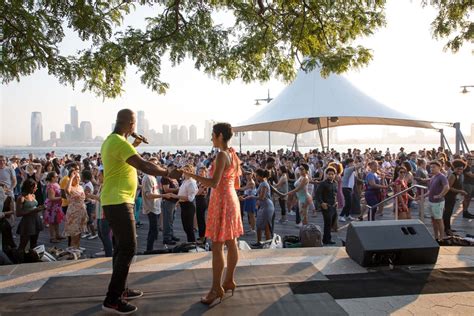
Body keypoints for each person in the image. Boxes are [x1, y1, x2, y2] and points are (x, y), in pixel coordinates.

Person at [101, 109, 171, 314]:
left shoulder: (112, 141)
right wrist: (167, 171)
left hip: (117, 200)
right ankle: (112, 299)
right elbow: (144, 165)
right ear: (130, 124)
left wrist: (134, 145)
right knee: (129, 247)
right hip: (118, 201)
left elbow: (121, 163)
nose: (135, 128)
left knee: (120, 248)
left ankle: (120, 290)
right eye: (134, 124)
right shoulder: (118, 142)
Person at [182, 122, 243, 306]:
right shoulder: (233, 154)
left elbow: (214, 183)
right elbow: (237, 182)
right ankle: (229, 280)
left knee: (217, 246)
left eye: (213, 135)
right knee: (231, 242)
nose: (211, 138)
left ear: (220, 136)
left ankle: (216, 288)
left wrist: (191, 175)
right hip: (231, 199)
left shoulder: (222, 155)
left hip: (222, 201)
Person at [142, 158, 169, 251]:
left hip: (156, 206)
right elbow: (148, 195)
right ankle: (149, 250)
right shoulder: (147, 178)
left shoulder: (153, 177)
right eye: (154, 165)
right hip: (151, 207)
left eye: (157, 165)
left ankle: (150, 249)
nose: (156, 167)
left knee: (153, 230)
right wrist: (164, 195)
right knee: (153, 230)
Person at [170, 164, 199, 242]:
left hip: (188, 206)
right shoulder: (185, 181)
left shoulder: (191, 182)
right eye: (185, 170)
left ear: (192, 172)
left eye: (188, 170)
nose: (186, 171)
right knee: (186, 228)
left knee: (189, 228)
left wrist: (176, 197)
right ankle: (190, 244)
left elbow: (190, 198)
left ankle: (192, 245)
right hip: (184, 206)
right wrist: (178, 201)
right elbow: (182, 193)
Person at [15, 178, 45, 253]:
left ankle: (32, 259)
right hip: (27, 223)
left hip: (36, 220)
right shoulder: (21, 198)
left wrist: (40, 208)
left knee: (34, 244)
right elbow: (18, 213)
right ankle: (19, 260)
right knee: (23, 245)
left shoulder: (33, 195)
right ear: (29, 187)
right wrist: (33, 210)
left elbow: (34, 207)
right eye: (35, 187)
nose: (36, 189)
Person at [64, 169, 88, 252]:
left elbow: (84, 198)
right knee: (74, 231)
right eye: (75, 177)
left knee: (80, 229)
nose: (77, 179)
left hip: (82, 211)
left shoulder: (81, 187)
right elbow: (67, 190)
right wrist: (71, 177)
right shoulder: (70, 188)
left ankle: (77, 246)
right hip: (73, 212)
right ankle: (73, 247)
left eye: (78, 177)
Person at [443, 160, 468, 236]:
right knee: (447, 213)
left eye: (461, 169)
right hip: (448, 196)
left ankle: (448, 227)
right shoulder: (453, 175)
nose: (460, 171)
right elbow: (449, 187)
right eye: (458, 169)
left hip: (452, 196)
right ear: (454, 168)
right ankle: (447, 229)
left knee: (449, 213)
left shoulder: (457, 175)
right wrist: (461, 191)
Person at [427, 160, 450, 241]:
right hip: (431, 201)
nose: (432, 169)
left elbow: (447, 187)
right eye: (431, 167)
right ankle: (436, 236)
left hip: (438, 203)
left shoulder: (442, 176)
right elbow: (430, 190)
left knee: (439, 220)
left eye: (434, 167)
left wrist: (440, 195)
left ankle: (441, 237)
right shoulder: (433, 177)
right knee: (433, 220)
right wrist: (421, 196)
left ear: (439, 167)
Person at [315, 167, 338, 245]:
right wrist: (322, 203)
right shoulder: (323, 183)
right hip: (326, 206)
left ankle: (327, 238)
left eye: (332, 174)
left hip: (333, 206)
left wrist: (336, 202)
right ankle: (326, 240)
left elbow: (335, 193)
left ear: (335, 175)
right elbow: (317, 194)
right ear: (326, 175)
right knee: (327, 223)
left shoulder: (335, 183)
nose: (330, 176)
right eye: (329, 174)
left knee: (332, 222)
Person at [161, 164, 181, 246]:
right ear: (168, 168)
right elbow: (166, 189)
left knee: (172, 220)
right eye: (171, 168)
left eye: (174, 168)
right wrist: (178, 189)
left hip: (174, 201)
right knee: (167, 220)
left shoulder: (174, 178)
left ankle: (171, 235)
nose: (173, 169)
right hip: (168, 201)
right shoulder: (165, 177)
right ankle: (167, 238)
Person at [44, 172, 65, 243]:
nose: (58, 177)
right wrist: (61, 197)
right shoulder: (50, 186)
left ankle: (57, 235)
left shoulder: (56, 184)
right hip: (52, 207)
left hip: (57, 206)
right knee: (52, 222)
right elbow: (51, 198)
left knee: (56, 221)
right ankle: (52, 237)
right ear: (52, 178)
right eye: (56, 176)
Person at [195, 167, 209, 242]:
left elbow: (198, 192)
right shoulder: (199, 181)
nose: (200, 172)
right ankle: (201, 236)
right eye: (199, 171)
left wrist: (190, 194)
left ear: (205, 173)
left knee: (201, 220)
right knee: (199, 219)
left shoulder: (204, 181)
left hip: (202, 200)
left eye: (202, 171)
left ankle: (203, 237)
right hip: (199, 200)